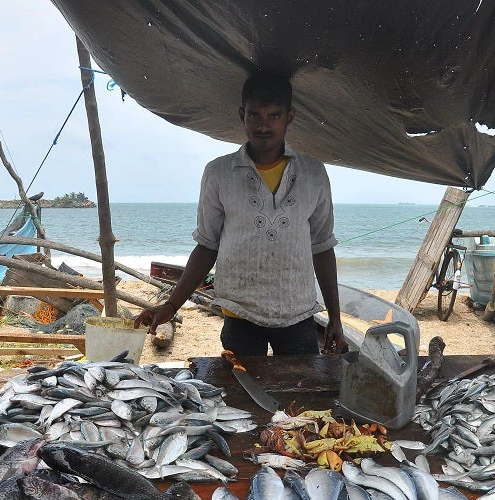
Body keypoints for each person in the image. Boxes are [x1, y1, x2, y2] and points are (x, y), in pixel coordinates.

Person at [136, 69, 346, 356]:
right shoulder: (219, 173)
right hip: (239, 314)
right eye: (254, 115)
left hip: (298, 314)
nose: (263, 126)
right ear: (241, 115)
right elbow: (207, 245)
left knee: (301, 395)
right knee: (242, 394)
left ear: (290, 117)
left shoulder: (313, 173)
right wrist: (172, 305)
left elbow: (322, 247)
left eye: (274, 115)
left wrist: (335, 318)